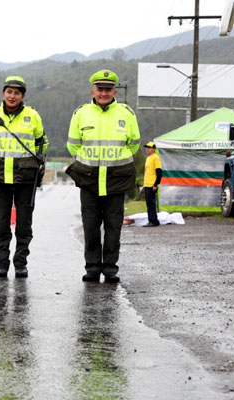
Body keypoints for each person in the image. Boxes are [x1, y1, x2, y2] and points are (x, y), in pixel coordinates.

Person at [66, 69, 140, 284]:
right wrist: (86, 162)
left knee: (113, 226)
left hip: (116, 178)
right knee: (90, 225)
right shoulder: (81, 113)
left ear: (114, 91)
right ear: (93, 90)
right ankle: (92, 268)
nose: (104, 93)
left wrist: (118, 159)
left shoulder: (127, 114)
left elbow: (134, 143)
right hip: (88, 178)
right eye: (100, 89)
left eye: (108, 89)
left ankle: (110, 268)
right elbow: (73, 144)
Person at [0, 76, 48, 278]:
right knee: (1, 223)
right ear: (3, 93)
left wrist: (36, 164)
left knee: (24, 224)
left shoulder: (33, 116)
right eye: (9, 92)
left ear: (22, 95)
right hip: (0, 178)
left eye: (17, 92)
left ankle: (20, 263)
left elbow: (41, 143)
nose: (12, 96)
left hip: (25, 178)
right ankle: (2, 262)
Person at [143, 141, 162, 227]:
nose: (147, 149)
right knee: (148, 204)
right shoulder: (148, 158)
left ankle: (154, 221)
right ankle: (151, 220)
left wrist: (156, 184)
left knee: (151, 204)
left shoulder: (155, 158)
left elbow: (159, 172)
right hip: (147, 184)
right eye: (146, 147)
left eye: (149, 147)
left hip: (152, 184)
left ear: (153, 149)